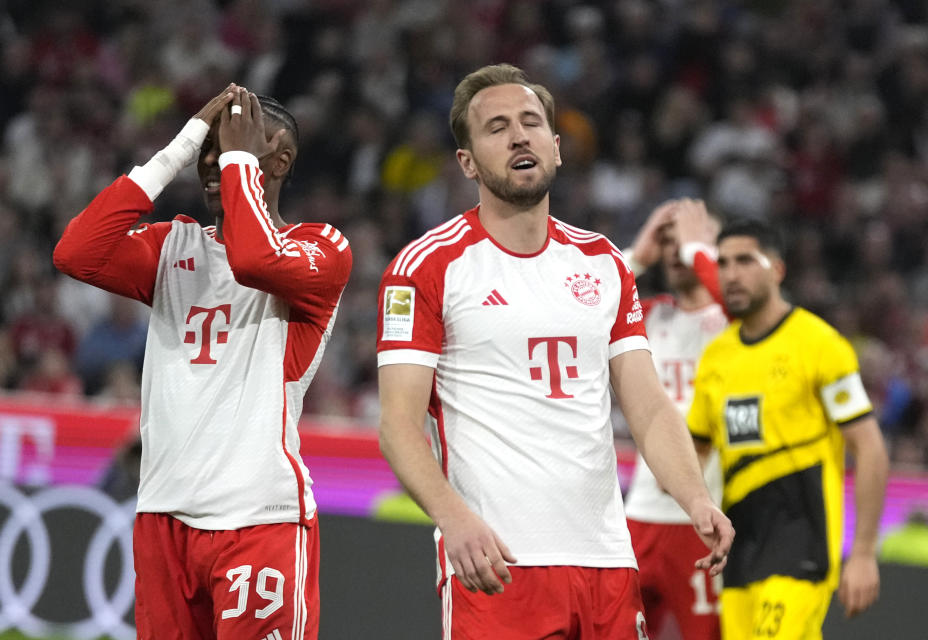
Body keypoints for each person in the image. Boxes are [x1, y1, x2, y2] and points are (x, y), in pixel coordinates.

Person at [376, 63, 733, 639]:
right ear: (467, 162)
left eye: (530, 122)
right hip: (497, 565)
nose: (519, 136)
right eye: (495, 128)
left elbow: (648, 408)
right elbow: (397, 424)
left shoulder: (605, 263)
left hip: (608, 563)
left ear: (557, 146)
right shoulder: (429, 266)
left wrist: (695, 499)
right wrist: (454, 521)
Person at [54, 84, 352, 639]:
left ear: (280, 157)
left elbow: (253, 257)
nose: (213, 164)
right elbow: (75, 252)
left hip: (260, 518)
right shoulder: (173, 247)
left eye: (232, 146)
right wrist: (180, 146)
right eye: (208, 153)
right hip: (164, 515)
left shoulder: (322, 247)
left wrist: (239, 157)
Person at [687, 218, 889, 639]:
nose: (731, 274)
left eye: (745, 260)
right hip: (739, 554)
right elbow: (695, 449)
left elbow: (869, 447)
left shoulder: (820, 345)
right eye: (723, 263)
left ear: (777, 269)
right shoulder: (716, 358)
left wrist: (865, 551)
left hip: (802, 546)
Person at [623, 198, 727, 640]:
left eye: (684, 240)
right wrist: (635, 255)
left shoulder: (734, 321)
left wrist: (698, 250)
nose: (674, 250)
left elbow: (756, 312)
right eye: (667, 241)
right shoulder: (647, 316)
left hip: (703, 520)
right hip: (640, 515)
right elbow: (583, 310)